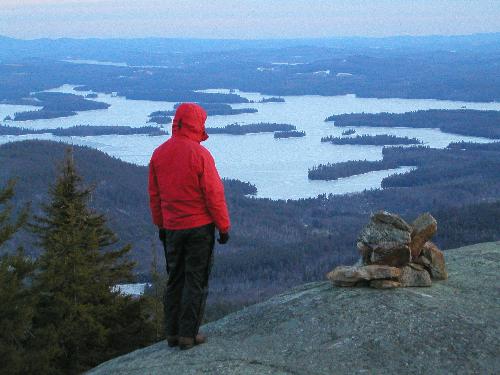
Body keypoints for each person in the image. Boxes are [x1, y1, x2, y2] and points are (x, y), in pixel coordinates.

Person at [148, 103, 231, 350]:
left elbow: (155, 195)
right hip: (199, 228)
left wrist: (161, 224)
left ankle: (172, 334)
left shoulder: (159, 153)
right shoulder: (199, 154)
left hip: (172, 228)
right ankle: (188, 335)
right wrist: (223, 227)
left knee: (175, 279)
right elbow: (213, 194)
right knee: (195, 279)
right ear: (197, 124)